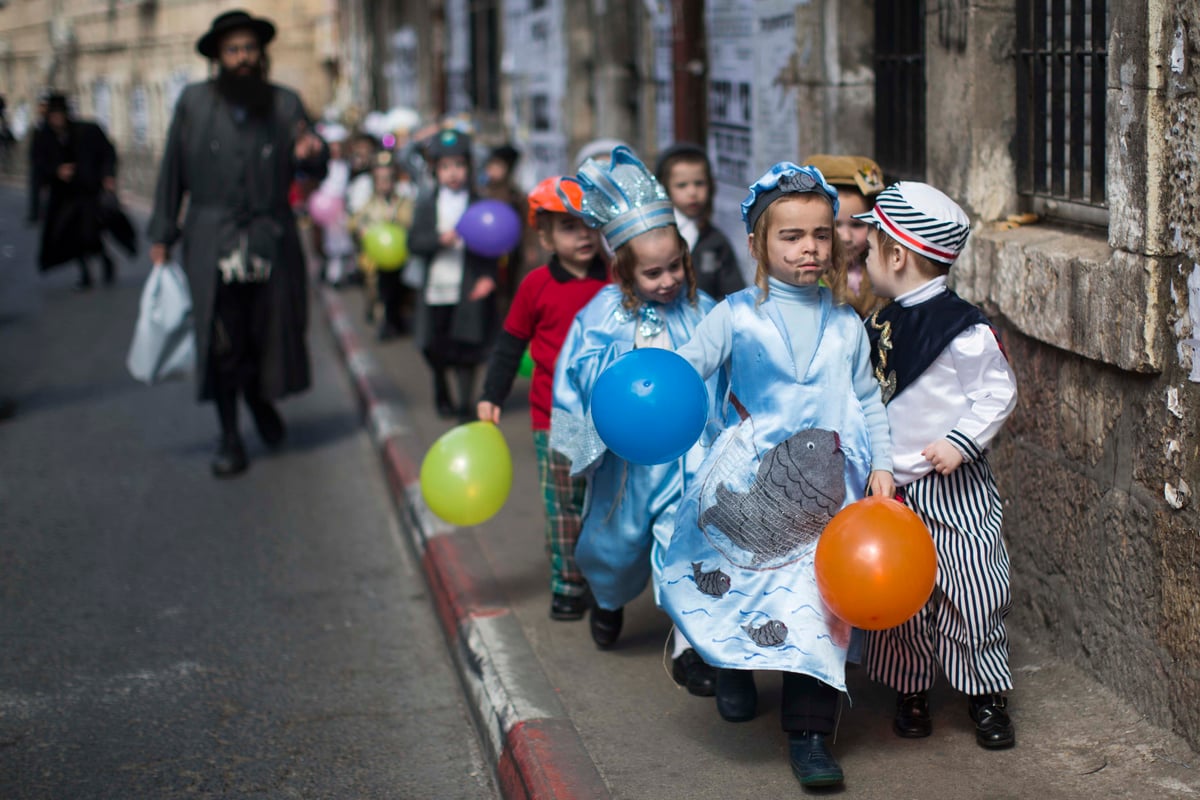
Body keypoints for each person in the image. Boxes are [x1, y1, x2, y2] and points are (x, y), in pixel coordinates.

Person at [659, 162, 894, 789]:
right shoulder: (734, 316)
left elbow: (868, 400)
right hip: (750, 491)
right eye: (791, 235)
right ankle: (734, 673)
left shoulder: (846, 326)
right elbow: (688, 373)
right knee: (742, 589)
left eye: (821, 232)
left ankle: (811, 734)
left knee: (821, 610)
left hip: (829, 501)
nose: (810, 247)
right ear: (758, 243)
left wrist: (884, 467)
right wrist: (650, 383)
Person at [550, 145, 721, 696]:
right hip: (625, 466)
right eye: (652, 272)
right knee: (616, 543)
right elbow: (571, 379)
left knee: (687, 543)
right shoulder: (599, 317)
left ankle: (692, 644)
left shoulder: (703, 311)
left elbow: (728, 371)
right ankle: (607, 599)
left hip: (689, 460)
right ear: (624, 269)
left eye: (675, 267)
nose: (667, 280)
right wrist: (577, 446)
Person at [856, 182, 1019, 750]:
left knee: (973, 591)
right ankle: (911, 690)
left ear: (896, 256)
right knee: (901, 597)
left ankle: (985, 695)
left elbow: (996, 394)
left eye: (869, 247)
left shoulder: (964, 329)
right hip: (896, 488)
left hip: (956, 485)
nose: (863, 256)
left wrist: (960, 441)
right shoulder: (880, 324)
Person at [146, 9, 328, 478]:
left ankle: (260, 400)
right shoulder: (192, 103)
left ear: (261, 54)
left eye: (250, 48)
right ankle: (229, 436)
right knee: (222, 342)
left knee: (267, 334)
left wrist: (313, 157)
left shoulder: (286, 104)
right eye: (233, 50)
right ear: (218, 57)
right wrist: (163, 233)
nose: (243, 58)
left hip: (271, 236)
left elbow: (313, 164)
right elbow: (173, 172)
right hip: (213, 238)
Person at [476, 176, 609, 622]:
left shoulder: (616, 280)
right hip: (556, 416)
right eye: (569, 227)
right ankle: (569, 585)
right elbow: (510, 343)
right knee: (564, 505)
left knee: (605, 502)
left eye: (590, 223)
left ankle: (605, 580)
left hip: (611, 415)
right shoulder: (535, 286)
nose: (584, 234)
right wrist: (492, 394)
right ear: (546, 237)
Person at [408, 128, 498, 421]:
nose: (453, 173)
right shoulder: (426, 203)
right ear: (435, 169)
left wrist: (488, 276)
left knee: (467, 348)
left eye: (459, 165)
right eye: (446, 166)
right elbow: (414, 242)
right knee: (433, 345)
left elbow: (491, 244)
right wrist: (438, 240)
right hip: (434, 288)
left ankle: (464, 403)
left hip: (467, 285)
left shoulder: (478, 203)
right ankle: (440, 388)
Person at [32, 93, 119, 289]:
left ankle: (105, 260)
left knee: (89, 233)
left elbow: (107, 152)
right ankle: (86, 274)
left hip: (87, 192)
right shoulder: (43, 137)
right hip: (63, 195)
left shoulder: (85, 131)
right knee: (71, 236)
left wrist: (108, 176)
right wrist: (56, 171)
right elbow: (38, 165)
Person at [654, 142, 744, 301]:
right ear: (664, 188)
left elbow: (733, 294)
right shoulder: (654, 235)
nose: (692, 192)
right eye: (682, 185)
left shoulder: (715, 241)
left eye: (699, 183)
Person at [802, 154, 886, 318]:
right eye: (835, 225)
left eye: (857, 225)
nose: (846, 237)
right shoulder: (802, 277)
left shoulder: (883, 272)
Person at [350, 151, 415, 337]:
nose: (384, 184)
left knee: (401, 292)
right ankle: (383, 321)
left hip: (400, 257)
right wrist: (362, 230)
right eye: (380, 179)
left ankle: (399, 320)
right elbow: (356, 222)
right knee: (379, 290)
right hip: (377, 260)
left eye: (388, 179)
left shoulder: (403, 202)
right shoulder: (369, 204)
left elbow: (409, 222)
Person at [314, 123, 354, 286]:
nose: (336, 149)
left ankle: (347, 270)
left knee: (345, 241)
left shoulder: (346, 165)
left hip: (342, 209)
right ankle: (333, 272)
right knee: (331, 242)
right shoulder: (324, 166)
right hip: (326, 208)